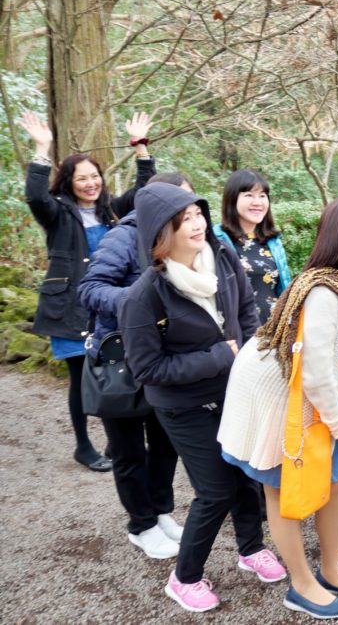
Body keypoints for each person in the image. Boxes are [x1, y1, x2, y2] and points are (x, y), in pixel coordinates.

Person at [219, 191, 338, 620]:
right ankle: (300, 584)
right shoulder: (323, 289)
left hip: (320, 394)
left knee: (334, 482)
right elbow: (314, 370)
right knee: (283, 488)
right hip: (277, 392)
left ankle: (331, 571)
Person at [119, 183, 285, 613]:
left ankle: (250, 549)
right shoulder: (144, 295)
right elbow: (147, 370)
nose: (197, 224)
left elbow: (246, 310)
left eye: (198, 214)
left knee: (247, 475)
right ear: (160, 234)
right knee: (215, 490)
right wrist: (219, 356)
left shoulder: (223, 258)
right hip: (184, 405)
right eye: (184, 220)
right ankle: (185, 576)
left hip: (234, 391)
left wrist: (246, 353)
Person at [20, 110, 156, 473]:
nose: (90, 183)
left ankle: (116, 438)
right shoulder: (57, 213)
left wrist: (140, 146)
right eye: (82, 178)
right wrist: (42, 147)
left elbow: (147, 191)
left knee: (121, 370)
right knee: (82, 378)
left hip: (110, 308)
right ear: (68, 181)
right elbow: (34, 195)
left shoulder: (112, 212)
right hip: (70, 307)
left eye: (95, 176)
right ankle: (83, 445)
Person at [77, 172, 193, 560]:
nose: (190, 214)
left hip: (164, 359)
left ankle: (160, 512)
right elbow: (90, 289)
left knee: (165, 445)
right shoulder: (123, 236)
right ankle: (140, 524)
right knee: (129, 451)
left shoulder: (178, 240)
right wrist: (139, 300)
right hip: (122, 361)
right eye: (182, 203)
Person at [213, 169, 292, 323]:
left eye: (262, 196)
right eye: (249, 195)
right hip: (239, 331)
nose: (257, 202)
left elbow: (283, 289)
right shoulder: (218, 241)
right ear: (232, 199)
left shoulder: (273, 242)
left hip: (274, 329)